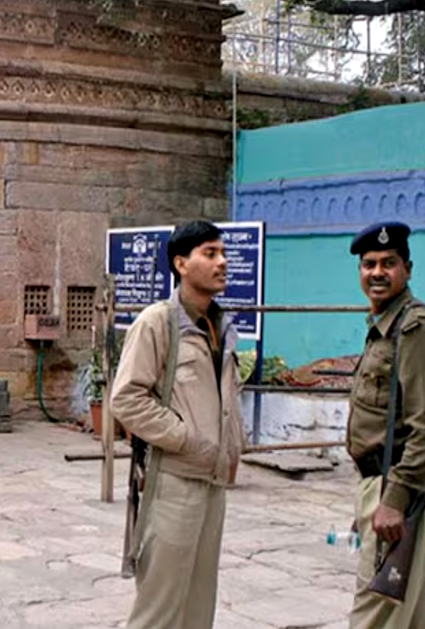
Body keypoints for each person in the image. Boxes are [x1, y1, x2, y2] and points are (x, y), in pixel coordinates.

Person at [110, 220, 246, 629]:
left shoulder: (220, 326)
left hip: (213, 484)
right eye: (210, 253)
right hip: (173, 483)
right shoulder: (158, 322)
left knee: (198, 608)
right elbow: (126, 398)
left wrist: (232, 446)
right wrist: (186, 438)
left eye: (223, 253)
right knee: (160, 610)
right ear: (181, 264)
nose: (222, 262)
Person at [346, 221, 425, 629]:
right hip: (381, 484)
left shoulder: (416, 329)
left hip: (402, 488)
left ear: (407, 268)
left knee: (374, 614)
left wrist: (394, 500)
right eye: (369, 264)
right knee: (405, 615)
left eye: (388, 263)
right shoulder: (384, 327)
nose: (377, 272)